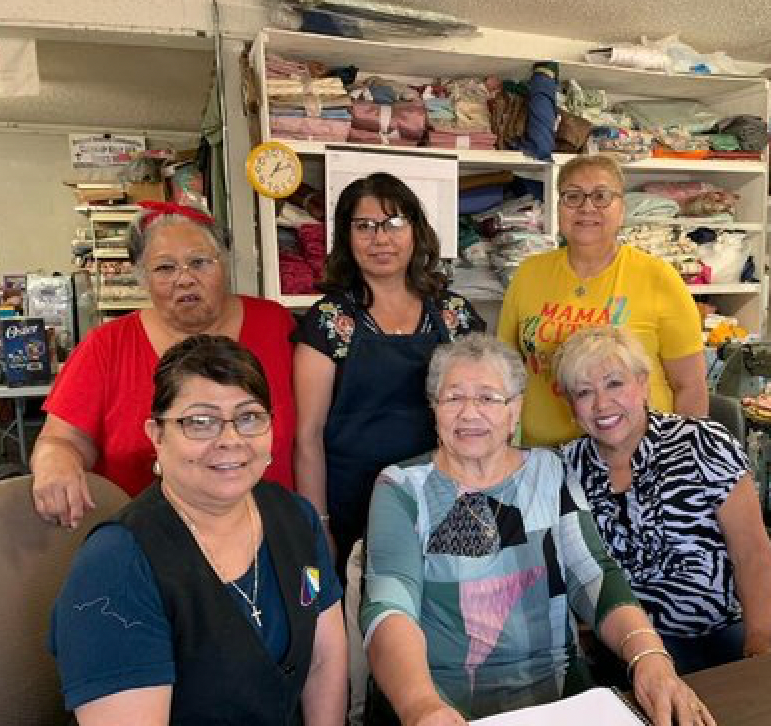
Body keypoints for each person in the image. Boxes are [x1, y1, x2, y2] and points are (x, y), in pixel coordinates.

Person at [360, 334, 714, 726]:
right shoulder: (401, 487)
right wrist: (421, 706)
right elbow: (389, 607)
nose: (469, 413)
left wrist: (649, 657)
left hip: (559, 696)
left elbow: (594, 575)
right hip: (443, 699)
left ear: (516, 410)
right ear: (434, 409)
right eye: (453, 397)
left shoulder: (550, 471)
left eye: (489, 398)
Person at [50, 334, 347, 725]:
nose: (230, 440)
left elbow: (324, 659)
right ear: (157, 435)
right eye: (200, 422)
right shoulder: (115, 567)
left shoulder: (295, 517)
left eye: (249, 417)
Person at [32, 201, 297, 529]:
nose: (185, 279)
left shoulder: (276, 324)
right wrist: (55, 462)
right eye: (165, 268)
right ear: (142, 278)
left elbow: (311, 435)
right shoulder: (106, 346)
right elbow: (60, 440)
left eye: (199, 262)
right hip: (146, 541)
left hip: (270, 531)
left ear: (226, 264)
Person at [554, 326, 771, 674]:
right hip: (637, 642)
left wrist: (759, 645)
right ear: (572, 405)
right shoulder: (565, 469)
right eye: (585, 392)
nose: (602, 404)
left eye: (615, 384)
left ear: (643, 384)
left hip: (725, 622)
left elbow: (752, 552)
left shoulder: (703, 443)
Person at [293, 172, 485, 571]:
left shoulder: (453, 314)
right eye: (364, 226)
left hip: (446, 498)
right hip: (355, 506)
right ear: (346, 237)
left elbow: (486, 411)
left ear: (416, 230)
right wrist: (319, 524)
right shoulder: (329, 320)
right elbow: (308, 436)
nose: (380, 238)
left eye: (394, 223)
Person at [497, 153, 707, 448]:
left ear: (622, 209)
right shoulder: (529, 273)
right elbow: (504, 372)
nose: (586, 207)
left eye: (601, 196)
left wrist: (678, 464)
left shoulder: (658, 278)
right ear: (558, 207)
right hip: (545, 459)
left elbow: (690, 387)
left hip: (636, 460)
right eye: (572, 197)